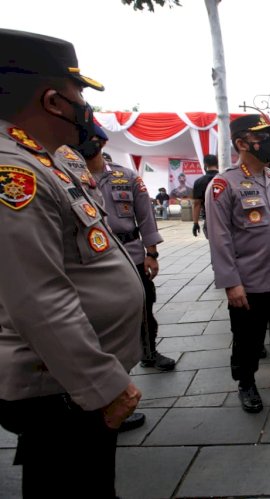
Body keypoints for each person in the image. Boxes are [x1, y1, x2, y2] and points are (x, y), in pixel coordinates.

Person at [0, 28, 143, 498]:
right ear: (54, 101)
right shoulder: (15, 173)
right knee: (69, 483)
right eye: (80, 91)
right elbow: (38, 300)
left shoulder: (49, 158)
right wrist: (104, 386)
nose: (86, 104)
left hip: (72, 381)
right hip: (59, 386)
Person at [205, 114, 270, 414]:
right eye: (262, 137)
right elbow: (219, 238)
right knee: (248, 337)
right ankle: (246, 382)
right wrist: (231, 282)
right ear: (241, 143)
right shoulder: (224, 184)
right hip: (249, 281)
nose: (269, 143)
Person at [82, 125, 176, 372]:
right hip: (89, 259)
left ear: (102, 142)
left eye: (91, 138)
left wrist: (152, 254)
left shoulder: (127, 177)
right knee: (96, 315)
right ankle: (103, 367)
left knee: (144, 305)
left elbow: (146, 218)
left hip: (130, 253)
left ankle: (149, 352)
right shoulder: (67, 174)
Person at [192, 153, 219, 237]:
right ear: (217, 164)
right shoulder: (225, 178)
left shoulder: (199, 182)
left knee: (214, 245)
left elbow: (197, 204)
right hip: (227, 218)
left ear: (205, 164)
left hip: (209, 219)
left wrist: (195, 223)